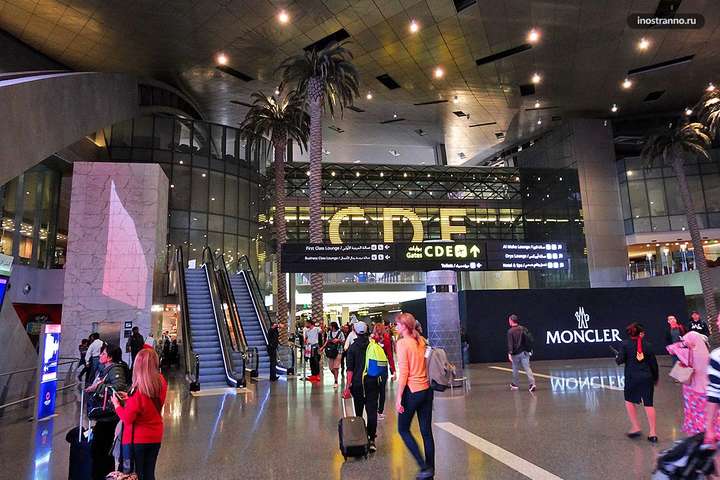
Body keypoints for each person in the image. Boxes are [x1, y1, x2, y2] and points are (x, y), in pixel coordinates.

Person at [111, 348, 168, 480]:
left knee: (136, 475)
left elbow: (127, 418)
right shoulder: (161, 382)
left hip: (137, 439)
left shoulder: (138, 392)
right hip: (155, 435)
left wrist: (117, 405)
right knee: (149, 473)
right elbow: (148, 405)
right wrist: (129, 399)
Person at [395, 312, 435, 480]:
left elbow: (404, 372)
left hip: (412, 391)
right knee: (426, 432)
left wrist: (399, 397)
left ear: (404, 326)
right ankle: (430, 471)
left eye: (398, 324)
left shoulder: (402, 343)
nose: (396, 327)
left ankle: (423, 466)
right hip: (426, 390)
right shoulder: (422, 341)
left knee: (403, 429)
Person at [85, 344, 128, 479]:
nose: (100, 355)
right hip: (105, 416)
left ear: (110, 357)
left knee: (102, 449)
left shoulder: (115, 369)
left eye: (103, 353)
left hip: (109, 416)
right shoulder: (106, 369)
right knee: (101, 449)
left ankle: (103, 476)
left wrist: (97, 387)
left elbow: (119, 388)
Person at [667, 331, 717, 436]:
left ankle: (696, 434)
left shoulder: (687, 354)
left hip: (691, 390)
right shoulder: (708, 354)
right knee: (706, 414)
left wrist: (683, 344)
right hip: (707, 390)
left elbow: (670, 348)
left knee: (693, 414)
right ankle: (708, 432)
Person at [616, 322, 659, 443]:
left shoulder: (625, 344)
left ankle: (636, 427)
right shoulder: (648, 345)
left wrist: (617, 357)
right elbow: (653, 364)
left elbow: (619, 361)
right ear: (640, 333)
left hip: (632, 378)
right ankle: (653, 433)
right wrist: (655, 378)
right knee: (649, 404)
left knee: (629, 401)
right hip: (646, 378)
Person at [343, 321, 380, 453]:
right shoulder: (373, 346)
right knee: (372, 411)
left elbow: (350, 370)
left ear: (355, 331)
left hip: (358, 384)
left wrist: (347, 387)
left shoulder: (352, 348)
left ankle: (361, 437)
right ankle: (372, 440)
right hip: (372, 382)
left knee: (359, 411)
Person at [372, 323, 395, 419]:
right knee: (382, 390)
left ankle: (373, 411)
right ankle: (379, 411)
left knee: (373, 390)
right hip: (382, 367)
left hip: (373, 367)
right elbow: (390, 355)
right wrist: (393, 370)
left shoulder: (372, 340)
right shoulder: (386, 339)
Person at [507, 314, 536, 392]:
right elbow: (530, 339)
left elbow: (510, 344)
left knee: (515, 368)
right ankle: (532, 384)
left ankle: (515, 384)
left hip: (516, 353)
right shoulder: (523, 328)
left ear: (511, 321)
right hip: (525, 352)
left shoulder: (510, 331)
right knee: (527, 368)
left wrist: (510, 353)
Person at [703, 313, 720, 446]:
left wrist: (709, 427)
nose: (717, 324)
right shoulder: (716, 356)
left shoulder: (717, 356)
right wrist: (709, 428)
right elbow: (714, 393)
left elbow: (714, 393)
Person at [321, 322, 345, 388]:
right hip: (331, 352)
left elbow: (343, 341)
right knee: (331, 368)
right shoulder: (329, 333)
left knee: (336, 367)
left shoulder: (340, 333)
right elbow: (327, 341)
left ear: (333, 326)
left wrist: (338, 340)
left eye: (330, 326)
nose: (329, 327)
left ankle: (336, 381)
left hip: (339, 351)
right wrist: (323, 347)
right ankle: (336, 376)